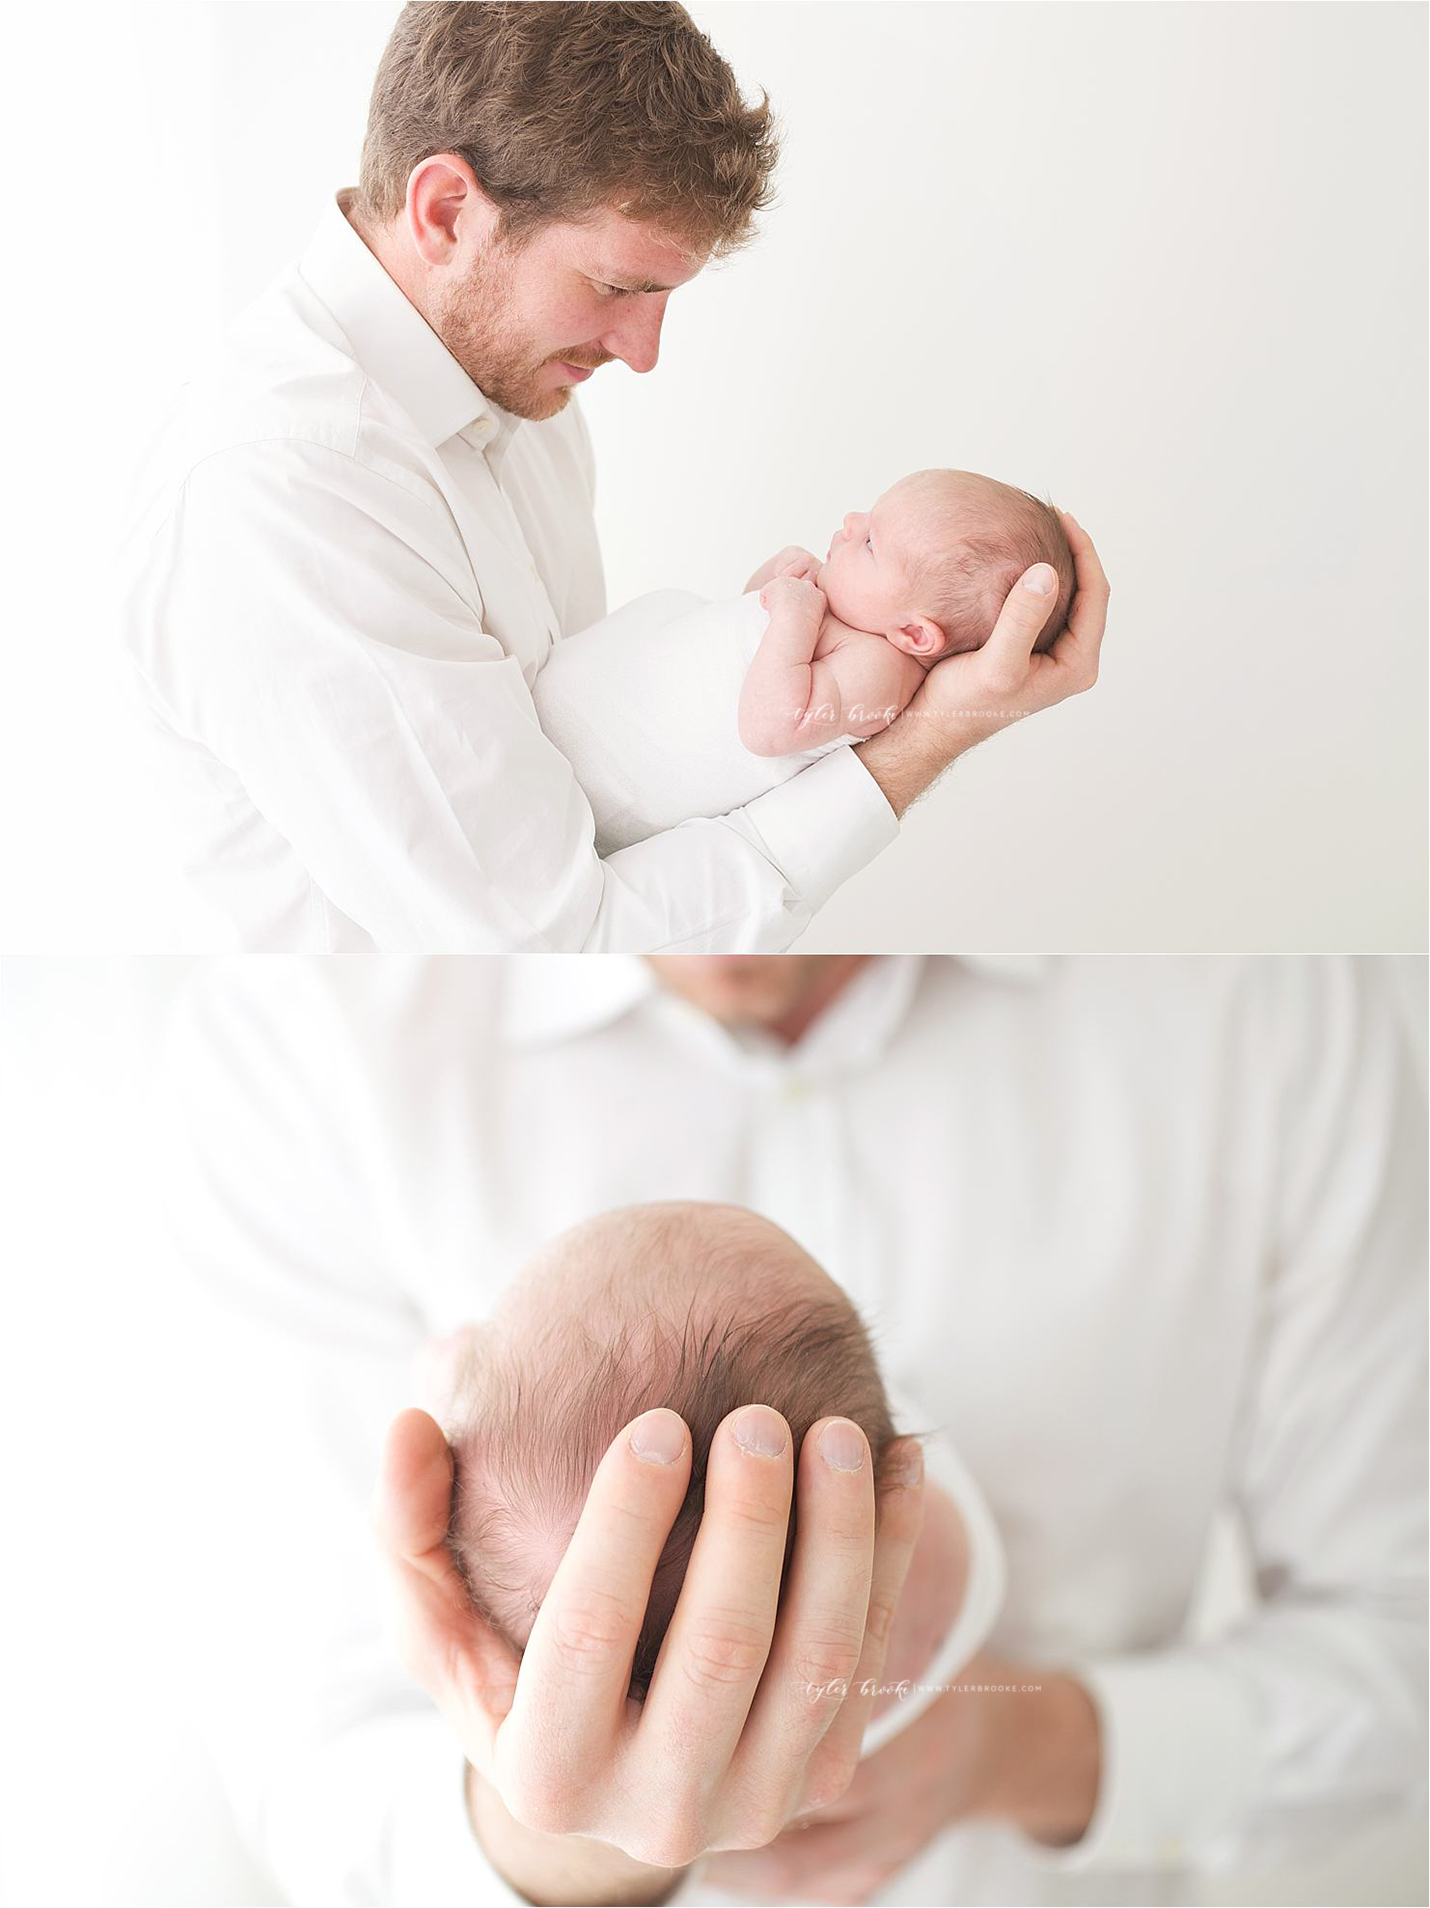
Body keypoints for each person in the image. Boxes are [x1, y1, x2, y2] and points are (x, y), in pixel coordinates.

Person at [168, 953, 1427, 1906]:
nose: (734, 954)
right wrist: (556, 1832)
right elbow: (310, 1762)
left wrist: (1020, 1744)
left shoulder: (1259, 997)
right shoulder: (306, 1021)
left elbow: (1400, 1641)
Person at [116, 2, 1108, 952]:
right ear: (448, 210)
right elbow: (559, 944)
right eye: (615, 286)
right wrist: (927, 736)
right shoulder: (288, 496)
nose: (641, 353)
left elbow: (592, 811)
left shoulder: (518, 397)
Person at [532, 469, 1075, 855]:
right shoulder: (846, 611)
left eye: (869, 543)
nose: (850, 522)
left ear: (913, 633)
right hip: (569, 708)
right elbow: (740, 636)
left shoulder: (879, 672)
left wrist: (796, 615)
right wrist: (771, 584)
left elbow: (772, 726)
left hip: (601, 775)